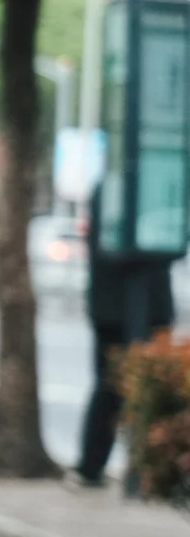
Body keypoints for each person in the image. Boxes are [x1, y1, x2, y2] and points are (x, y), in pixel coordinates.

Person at [76, 189, 171, 486]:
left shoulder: (109, 190)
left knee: (121, 388)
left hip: (125, 308)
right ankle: (99, 467)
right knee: (114, 387)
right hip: (121, 310)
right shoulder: (118, 192)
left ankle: (108, 468)